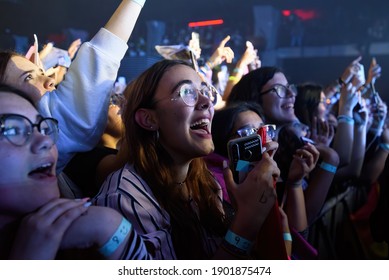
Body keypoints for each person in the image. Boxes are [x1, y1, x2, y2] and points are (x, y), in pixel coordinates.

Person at [94, 59, 280, 260]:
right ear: (149, 119)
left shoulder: (204, 181)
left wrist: (250, 205)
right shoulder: (127, 199)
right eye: (186, 92)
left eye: (204, 91)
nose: (207, 102)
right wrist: (246, 222)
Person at [0, 84, 150, 260]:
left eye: (44, 128)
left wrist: (113, 232)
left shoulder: (95, 231)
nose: (45, 141)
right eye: (12, 130)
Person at [0, 0, 146, 174]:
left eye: (42, 71)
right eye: (29, 77)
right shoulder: (50, 136)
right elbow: (101, 56)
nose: (50, 80)